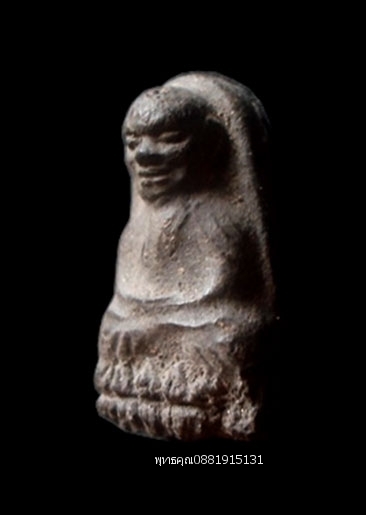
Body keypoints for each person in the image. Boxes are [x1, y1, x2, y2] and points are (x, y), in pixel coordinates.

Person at [95, 73, 276, 440]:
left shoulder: (221, 226)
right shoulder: (134, 233)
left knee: (233, 339)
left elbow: (230, 312)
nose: (145, 155)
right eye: (133, 142)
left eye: (169, 139)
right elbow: (124, 307)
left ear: (211, 143)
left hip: (200, 350)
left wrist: (147, 329)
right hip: (149, 360)